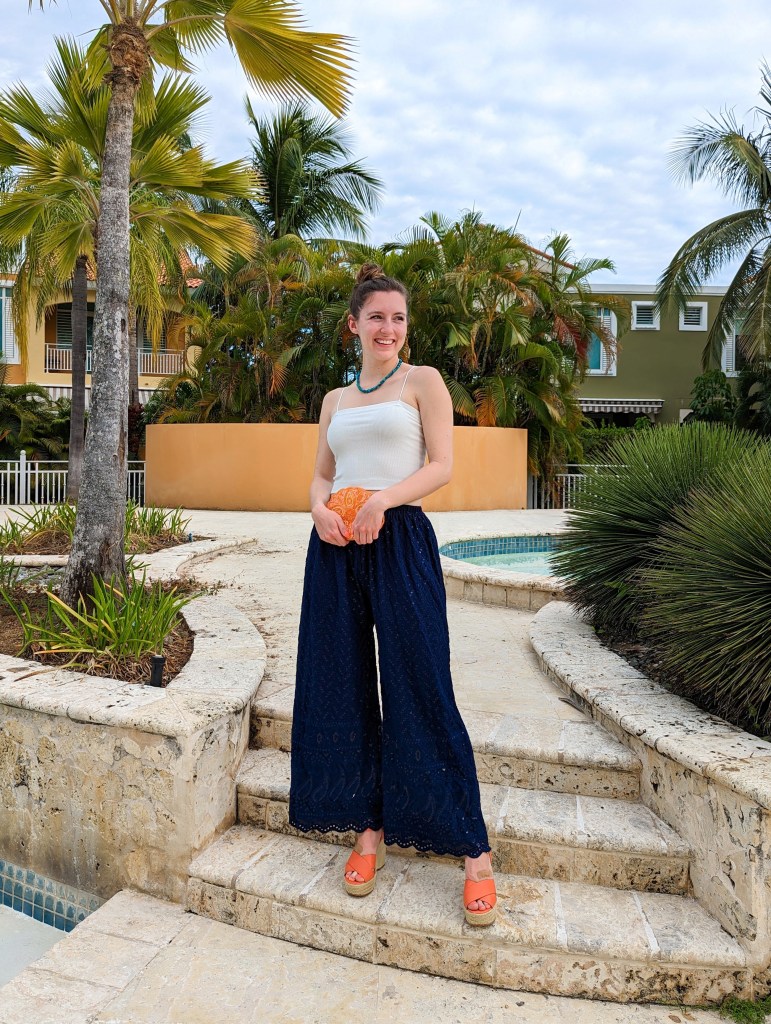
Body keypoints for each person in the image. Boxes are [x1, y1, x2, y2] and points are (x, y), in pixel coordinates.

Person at [287, 263, 497, 926]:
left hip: (399, 537)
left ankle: (473, 850)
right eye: (375, 316)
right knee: (340, 683)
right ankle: (367, 829)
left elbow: (439, 464)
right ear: (353, 324)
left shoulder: (422, 382)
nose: (387, 328)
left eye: (397, 318)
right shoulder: (334, 400)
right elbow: (321, 475)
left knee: (420, 684)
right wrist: (319, 510)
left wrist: (381, 500)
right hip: (334, 549)